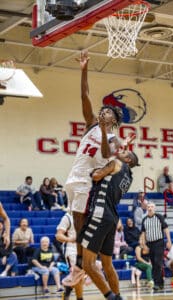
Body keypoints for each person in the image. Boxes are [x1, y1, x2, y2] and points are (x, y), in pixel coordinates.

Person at [65, 51, 123, 274]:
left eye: (108, 111)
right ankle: (82, 260)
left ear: (114, 121)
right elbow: (84, 95)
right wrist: (84, 69)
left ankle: (81, 262)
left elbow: (108, 154)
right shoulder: (91, 123)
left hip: (87, 181)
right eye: (103, 109)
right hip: (72, 177)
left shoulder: (113, 138)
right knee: (75, 219)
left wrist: (101, 129)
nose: (103, 111)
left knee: (80, 220)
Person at [77, 124, 140, 300]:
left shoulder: (117, 163)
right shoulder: (128, 176)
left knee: (87, 264)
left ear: (127, 159)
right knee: (107, 264)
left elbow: (97, 176)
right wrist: (125, 143)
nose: (120, 151)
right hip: (112, 218)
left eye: (124, 152)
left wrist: (92, 171)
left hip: (99, 213)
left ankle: (112, 297)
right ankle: (118, 296)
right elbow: (119, 153)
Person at [140, 201, 172, 291]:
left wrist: (169, 241)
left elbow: (166, 229)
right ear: (146, 208)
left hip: (159, 242)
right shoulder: (144, 219)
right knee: (154, 264)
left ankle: (157, 284)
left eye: (151, 207)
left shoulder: (159, 217)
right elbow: (143, 233)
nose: (150, 208)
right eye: (148, 207)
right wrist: (144, 244)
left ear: (154, 208)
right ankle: (160, 283)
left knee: (158, 262)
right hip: (150, 244)